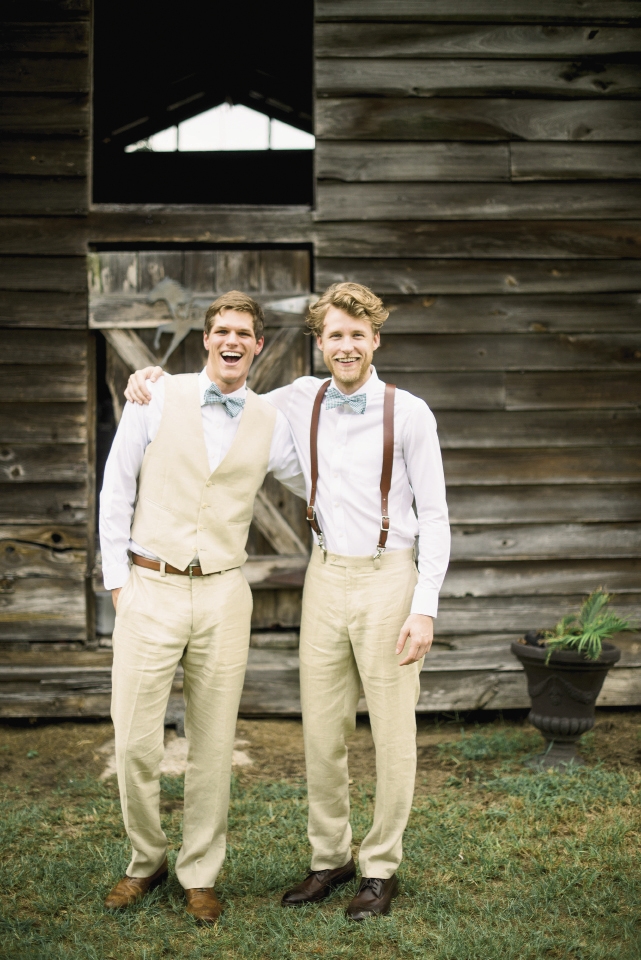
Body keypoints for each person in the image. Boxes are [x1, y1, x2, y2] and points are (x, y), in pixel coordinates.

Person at [125, 282, 450, 921]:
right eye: (335, 335)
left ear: (375, 340)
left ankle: (381, 866)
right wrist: (155, 380)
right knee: (322, 731)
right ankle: (329, 858)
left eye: (358, 334)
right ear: (319, 343)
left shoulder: (411, 412)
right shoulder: (296, 400)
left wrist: (425, 604)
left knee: (392, 732)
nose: (346, 345)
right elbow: (223, 398)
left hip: (390, 578)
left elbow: (436, 516)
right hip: (324, 576)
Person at [99, 291, 305, 923]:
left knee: (213, 743)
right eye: (221, 331)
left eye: (244, 332)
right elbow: (117, 484)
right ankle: (145, 860)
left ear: (259, 346)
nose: (232, 341)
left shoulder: (268, 420)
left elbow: (320, 478)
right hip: (149, 585)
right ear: (206, 339)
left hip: (223, 591)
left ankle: (200, 873)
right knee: (135, 740)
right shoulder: (156, 394)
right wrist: (118, 583)